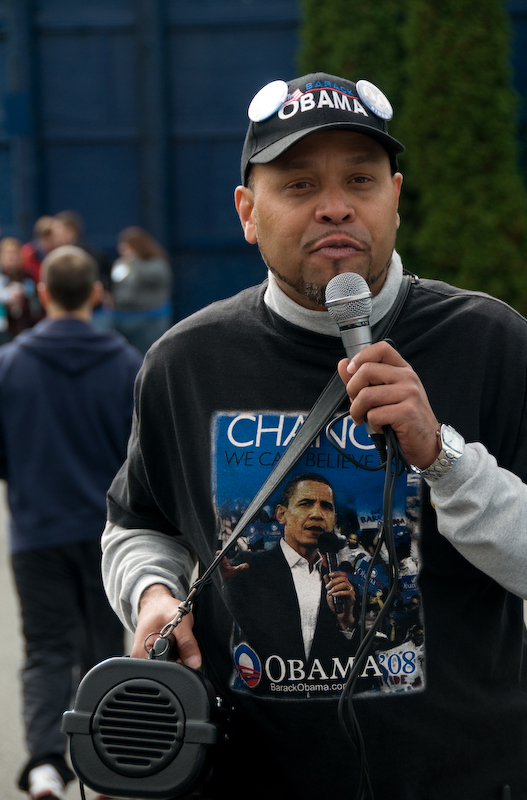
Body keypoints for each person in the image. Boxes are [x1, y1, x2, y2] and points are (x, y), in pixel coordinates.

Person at [101, 72, 527, 799]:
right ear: (247, 211)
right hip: (249, 777)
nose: (335, 206)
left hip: (463, 774)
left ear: (394, 195)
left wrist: (444, 459)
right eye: (297, 185)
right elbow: (140, 526)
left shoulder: (488, 341)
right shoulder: (186, 361)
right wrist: (149, 595)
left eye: (359, 179)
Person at [0, 245, 143, 800]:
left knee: (45, 648)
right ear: (96, 293)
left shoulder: (10, 365)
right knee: (103, 647)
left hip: (37, 531)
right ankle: (106, 762)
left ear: (43, 293)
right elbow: (142, 458)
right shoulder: (129, 365)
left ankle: (43, 767)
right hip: (108, 532)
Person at [223, 473, 356, 693]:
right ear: (281, 514)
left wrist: (346, 623)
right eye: (306, 504)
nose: (317, 514)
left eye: (326, 507)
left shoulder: (341, 583)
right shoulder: (245, 568)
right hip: (261, 708)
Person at [110, 226, 173, 354]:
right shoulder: (120, 264)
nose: (121, 249)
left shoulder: (157, 265)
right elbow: (118, 284)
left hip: (150, 321)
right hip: (123, 320)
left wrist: (135, 261)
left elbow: (150, 277)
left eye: (125, 245)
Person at [0, 237, 42, 342]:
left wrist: (22, 300)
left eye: (14, 253)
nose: (11, 257)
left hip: (25, 330)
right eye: (7, 253)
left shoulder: (28, 277)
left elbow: (37, 307)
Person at [21, 215, 57, 284]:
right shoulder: (26, 253)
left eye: (54, 236)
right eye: (46, 236)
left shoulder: (61, 253)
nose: (51, 240)